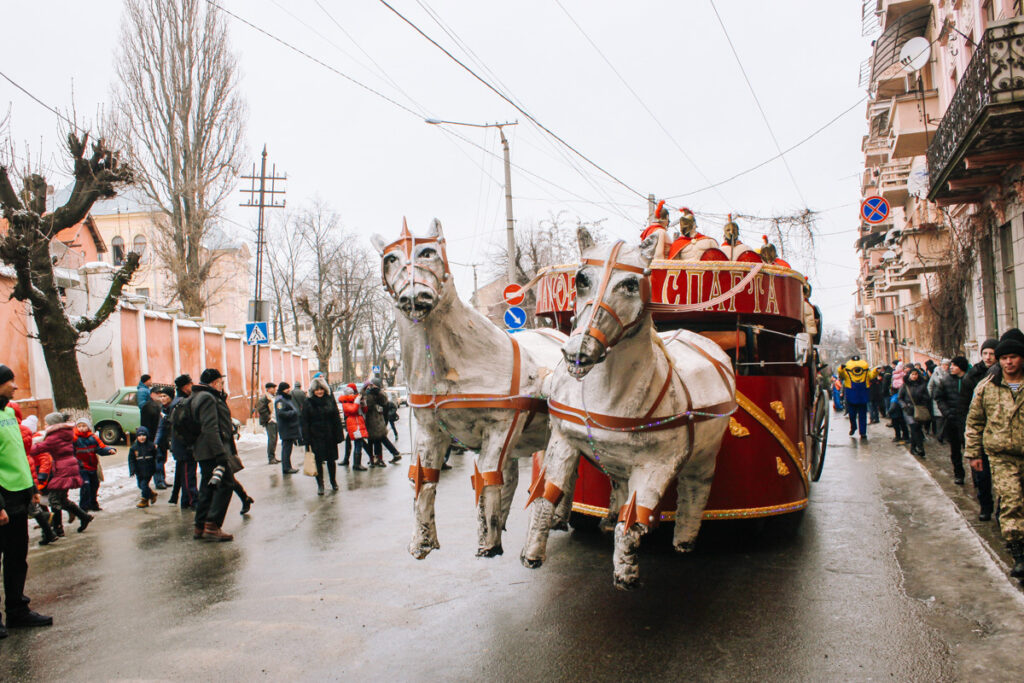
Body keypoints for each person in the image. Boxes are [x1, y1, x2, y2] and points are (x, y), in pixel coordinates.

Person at [965, 329, 1024, 580]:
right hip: (1001, 456)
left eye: (1013, 357)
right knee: (1011, 501)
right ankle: (1019, 554)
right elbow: (974, 422)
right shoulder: (987, 387)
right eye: (1004, 358)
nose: (1008, 362)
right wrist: (974, 453)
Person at [0, 364, 52, 637]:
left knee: (17, 557)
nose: (15, 386)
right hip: (2, 498)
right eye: (10, 381)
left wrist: (32, 487)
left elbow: (18, 454)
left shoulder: (9, 413)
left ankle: (17, 611)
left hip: (18, 494)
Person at [190, 369, 237, 541]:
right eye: (221, 383)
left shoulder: (196, 396)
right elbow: (210, 428)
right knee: (226, 484)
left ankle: (200, 525)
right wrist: (220, 453)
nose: (222, 386)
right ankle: (212, 525)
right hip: (212, 451)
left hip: (203, 450)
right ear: (215, 382)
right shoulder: (208, 398)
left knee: (207, 487)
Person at [33, 413, 93, 536]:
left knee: (54, 499)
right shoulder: (63, 433)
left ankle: (58, 528)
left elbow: (37, 449)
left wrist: (26, 445)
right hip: (68, 467)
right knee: (62, 499)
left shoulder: (54, 437)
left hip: (63, 469)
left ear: (53, 424)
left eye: (46, 423)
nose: (45, 426)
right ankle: (84, 516)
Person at [963, 339, 999, 521]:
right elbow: (967, 410)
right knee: (982, 477)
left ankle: (1001, 512)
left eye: (992, 353)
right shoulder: (973, 376)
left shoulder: (1006, 376)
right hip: (982, 435)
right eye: (985, 353)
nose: (988, 357)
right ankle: (986, 506)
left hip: (1000, 437)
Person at [300, 377, 343, 495]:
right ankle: (320, 485)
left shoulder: (330, 400)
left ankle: (333, 481)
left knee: (331, 460)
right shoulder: (308, 402)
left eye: (321, 389)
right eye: (317, 389)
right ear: (313, 391)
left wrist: (339, 434)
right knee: (318, 461)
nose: (319, 391)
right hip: (316, 437)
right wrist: (306, 439)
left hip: (330, 435)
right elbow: (304, 422)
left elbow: (336, 418)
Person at [934, 356, 971, 486]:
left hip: (968, 421)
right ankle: (959, 474)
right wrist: (947, 412)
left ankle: (977, 477)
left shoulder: (970, 380)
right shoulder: (946, 380)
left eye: (954, 365)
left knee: (972, 450)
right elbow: (938, 397)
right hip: (952, 420)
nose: (951, 367)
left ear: (961, 367)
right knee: (955, 450)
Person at [164, 374, 198, 509]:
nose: (192, 386)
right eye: (190, 384)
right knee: (188, 474)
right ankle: (192, 500)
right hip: (184, 446)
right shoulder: (181, 403)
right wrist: (190, 441)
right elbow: (182, 426)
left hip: (182, 445)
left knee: (186, 474)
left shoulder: (178, 401)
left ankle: (185, 500)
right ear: (185, 387)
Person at [72, 418, 114, 512]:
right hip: (81, 467)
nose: (81, 428)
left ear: (88, 427)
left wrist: (109, 450)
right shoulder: (75, 439)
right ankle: (83, 507)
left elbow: (100, 448)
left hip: (92, 466)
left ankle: (93, 504)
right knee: (85, 485)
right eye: (79, 426)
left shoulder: (93, 438)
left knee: (95, 485)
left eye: (84, 426)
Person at [363, 379, 401, 466]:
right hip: (374, 421)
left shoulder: (376, 394)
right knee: (378, 440)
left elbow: (384, 402)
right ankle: (377, 458)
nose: (371, 387)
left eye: (372, 385)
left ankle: (379, 458)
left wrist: (377, 391)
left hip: (376, 421)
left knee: (378, 439)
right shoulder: (369, 393)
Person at [837, 356, 875, 440]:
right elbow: (841, 376)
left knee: (862, 415)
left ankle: (863, 432)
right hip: (855, 394)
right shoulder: (847, 371)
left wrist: (876, 371)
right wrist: (841, 369)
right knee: (852, 415)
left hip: (859, 395)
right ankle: (854, 427)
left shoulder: (865, 371)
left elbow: (871, 376)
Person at [141, 386, 170, 489]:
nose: (159, 396)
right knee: (157, 460)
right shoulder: (147, 406)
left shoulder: (161, 406)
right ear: (152, 394)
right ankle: (159, 481)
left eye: (161, 394)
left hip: (162, 438)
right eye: (157, 394)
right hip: (153, 437)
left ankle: (162, 479)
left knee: (162, 459)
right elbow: (145, 424)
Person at [898, 368, 931, 458]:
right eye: (912, 374)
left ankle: (913, 448)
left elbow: (927, 397)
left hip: (919, 409)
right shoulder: (905, 385)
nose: (914, 376)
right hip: (908, 410)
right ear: (909, 375)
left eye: (916, 374)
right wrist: (904, 406)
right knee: (914, 427)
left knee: (917, 428)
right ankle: (920, 448)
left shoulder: (922, 385)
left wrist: (923, 402)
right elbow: (900, 398)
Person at [339, 384, 369, 471]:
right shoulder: (346, 403)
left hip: (358, 423)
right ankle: (357, 464)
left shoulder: (354, 401)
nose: (352, 395)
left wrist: (363, 403)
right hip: (354, 424)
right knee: (358, 443)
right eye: (350, 394)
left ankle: (356, 463)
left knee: (359, 443)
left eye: (352, 393)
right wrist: (357, 401)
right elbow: (353, 410)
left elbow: (364, 410)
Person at [128, 426, 159, 508]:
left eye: (144, 435)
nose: (142, 437)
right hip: (139, 470)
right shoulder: (134, 448)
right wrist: (132, 470)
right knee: (140, 485)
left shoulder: (151, 446)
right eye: (139, 436)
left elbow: (157, 456)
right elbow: (131, 460)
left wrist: (157, 465)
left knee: (144, 484)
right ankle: (151, 494)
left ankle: (144, 500)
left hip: (149, 470)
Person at [274, 382, 300, 475]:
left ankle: (288, 467)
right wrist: (293, 412)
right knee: (286, 449)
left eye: (289, 388)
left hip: (290, 427)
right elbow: (280, 413)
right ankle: (286, 468)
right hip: (286, 428)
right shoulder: (280, 400)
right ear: (282, 390)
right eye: (286, 388)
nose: (288, 390)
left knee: (288, 448)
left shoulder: (285, 398)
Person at [256, 382, 280, 465]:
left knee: (275, 439)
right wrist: (269, 418)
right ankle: (271, 458)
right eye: (273, 388)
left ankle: (273, 456)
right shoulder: (264, 398)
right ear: (268, 389)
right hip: (270, 421)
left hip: (275, 420)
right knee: (272, 439)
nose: (275, 389)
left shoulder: (275, 397)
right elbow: (261, 409)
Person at [928, 359, 951, 442]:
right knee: (939, 418)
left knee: (947, 418)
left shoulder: (950, 374)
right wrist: (930, 396)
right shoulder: (936, 373)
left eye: (947, 365)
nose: (945, 366)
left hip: (948, 398)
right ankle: (939, 436)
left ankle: (946, 436)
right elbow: (930, 386)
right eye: (943, 365)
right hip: (937, 399)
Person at [291, 382, 309, 453]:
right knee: (301, 426)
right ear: (300, 386)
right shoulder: (302, 392)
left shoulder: (291, 392)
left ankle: (296, 439)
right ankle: (301, 440)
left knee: (296, 426)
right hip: (300, 412)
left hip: (292, 412)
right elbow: (305, 402)